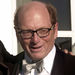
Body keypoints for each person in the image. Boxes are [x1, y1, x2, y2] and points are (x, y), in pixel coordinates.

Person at [0, 1, 75, 75]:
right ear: (17, 33)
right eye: (27, 32)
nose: (35, 40)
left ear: (55, 30)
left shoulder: (71, 66)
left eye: (43, 31)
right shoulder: (7, 68)